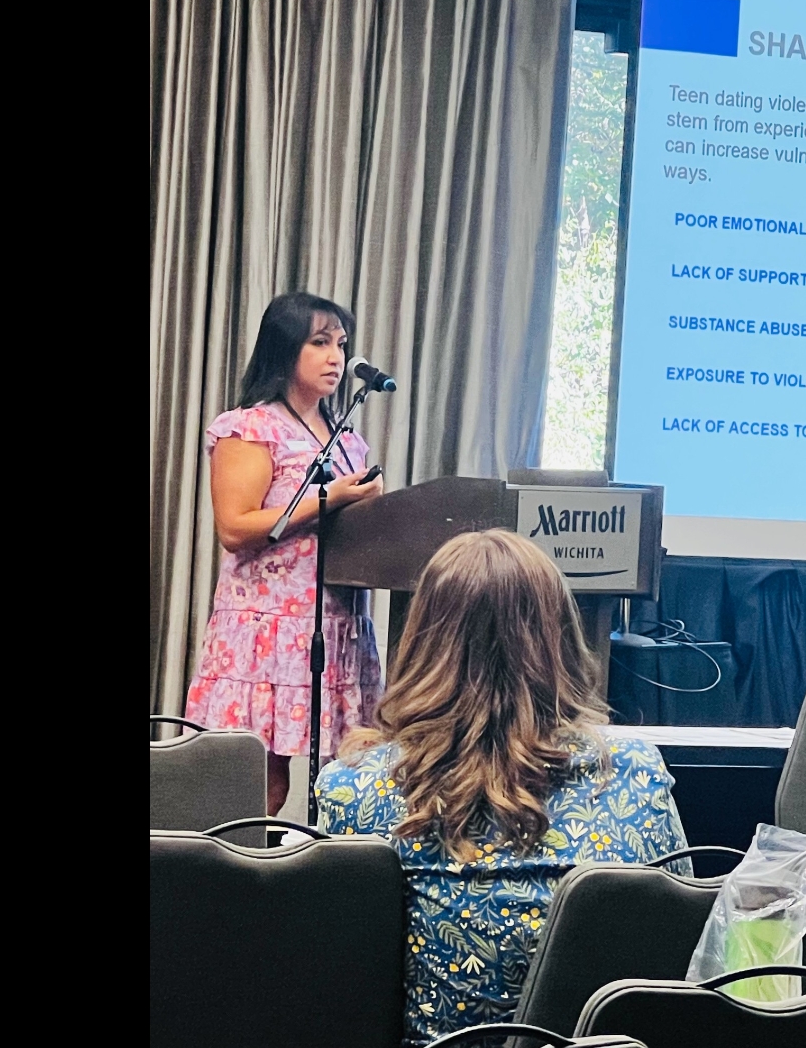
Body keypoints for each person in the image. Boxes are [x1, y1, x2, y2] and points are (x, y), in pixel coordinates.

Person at [317, 529, 689, 1047]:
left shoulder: (353, 788)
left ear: (422, 638)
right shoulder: (635, 774)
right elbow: (680, 950)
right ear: (559, 637)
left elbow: (333, 982)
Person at [183, 292, 387, 815]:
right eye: (320, 343)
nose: (336, 358)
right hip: (267, 625)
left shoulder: (347, 440)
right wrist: (328, 498)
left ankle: (321, 859)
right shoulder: (251, 427)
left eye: (341, 344)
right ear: (284, 348)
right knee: (263, 779)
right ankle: (243, 861)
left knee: (343, 769)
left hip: (336, 623)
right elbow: (234, 527)